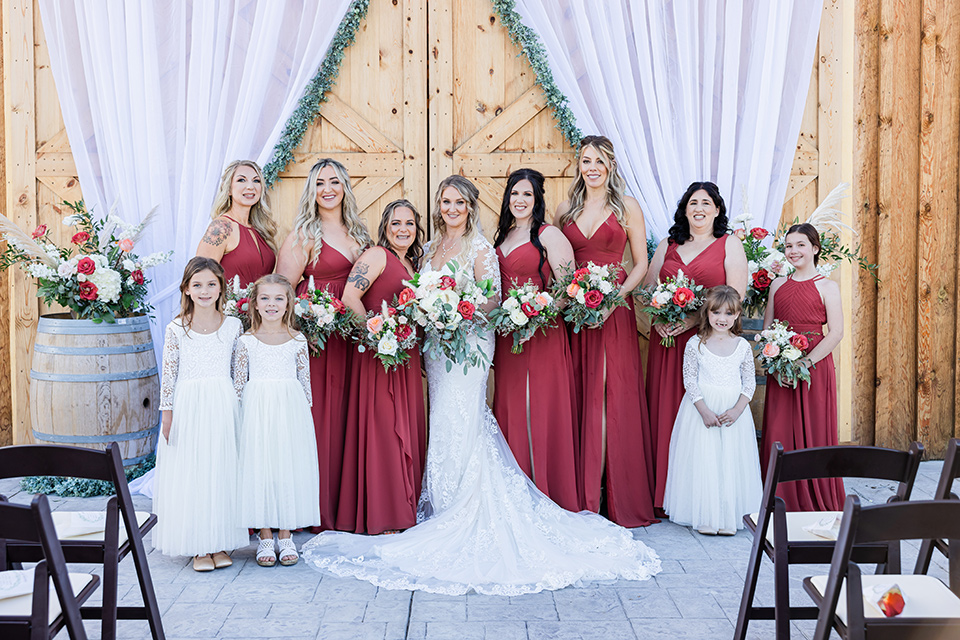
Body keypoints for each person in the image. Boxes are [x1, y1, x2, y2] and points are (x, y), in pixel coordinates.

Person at [301, 175, 661, 596]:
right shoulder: (430, 249)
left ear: (470, 206)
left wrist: (457, 311)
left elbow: (491, 298)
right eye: (445, 201)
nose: (451, 208)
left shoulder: (480, 247)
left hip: (467, 341)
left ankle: (464, 504)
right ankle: (442, 500)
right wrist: (434, 315)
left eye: (459, 202)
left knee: (463, 413)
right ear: (438, 206)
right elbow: (413, 296)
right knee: (444, 418)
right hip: (435, 345)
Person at [556, 135, 657, 527]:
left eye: (599, 160)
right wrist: (572, 299)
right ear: (578, 165)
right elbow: (557, 260)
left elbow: (640, 263)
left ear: (611, 165)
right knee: (578, 393)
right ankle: (579, 489)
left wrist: (615, 298)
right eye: (586, 160)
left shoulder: (627, 206)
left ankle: (611, 490)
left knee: (608, 394)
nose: (592, 167)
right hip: (576, 315)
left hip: (613, 312)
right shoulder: (565, 209)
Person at [275, 158, 372, 531]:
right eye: (319, 183)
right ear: (311, 191)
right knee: (318, 422)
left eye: (334, 181)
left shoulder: (359, 232)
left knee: (348, 420)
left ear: (345, 187)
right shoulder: (304, 234)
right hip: (316, 344)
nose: (328, 189)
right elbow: (281, 291)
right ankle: (310, 509)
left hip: (351, 342)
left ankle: (343, 506)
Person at [644, 182, 748, 513]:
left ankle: (701, 499)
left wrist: (692, 322)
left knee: (698, 414)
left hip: (706, 346)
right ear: (684, 209)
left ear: (717, 210)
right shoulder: (667, 245)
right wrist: (656, 319)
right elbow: (647, 291)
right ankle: (665, 495)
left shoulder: (729, 244)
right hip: (666, 341)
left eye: (706, 202)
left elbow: (736, 296)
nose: (699, 208)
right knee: (666, 413)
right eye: (693, 202)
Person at [337, 200, 427, 534]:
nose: (403, 229)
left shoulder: (413, 263)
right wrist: (376, 335)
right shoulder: (376, 256)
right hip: (379, 355)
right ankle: (384, 513)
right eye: (395, 223)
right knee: (385, 429)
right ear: (385, 228)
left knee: (402, 425)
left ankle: (403, 505)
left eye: (409, 223)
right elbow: (350, 297)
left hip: (404, 356)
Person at [492, 168, 580, 511]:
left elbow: (568, 288)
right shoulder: (501, 237)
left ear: (537, 199)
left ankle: (546, 489)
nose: (520, 200)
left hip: (542, 333)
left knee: (541, 407)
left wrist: (535, 312)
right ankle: (516, 488)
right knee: (512, 408)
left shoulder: (549, 235)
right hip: (508, 338)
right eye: (514, 193)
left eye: (527, 194)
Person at [154, 257, 248, 572]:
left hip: (222, 403)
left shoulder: (234, 325)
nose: (205, 290)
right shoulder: (177, 328)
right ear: (187, 289)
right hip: (188, 404)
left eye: (211, 284)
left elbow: (239, 374)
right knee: (193, 472)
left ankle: (219, 541)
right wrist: (167, 414)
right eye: (198, 285)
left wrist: (238, 410)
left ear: (221, 288)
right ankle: (198, 546)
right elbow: (168, 373)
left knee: (220, 471)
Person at [234, 274, 320, 567]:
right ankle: (265, 533)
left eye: (278, 298)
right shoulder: (245, 341)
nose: (272, 304)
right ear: (255, 304)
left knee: (286, 467)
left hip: (289, 411)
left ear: (288, 304)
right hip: (257, 409)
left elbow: (304, 384)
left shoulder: (297, 339)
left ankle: (286, 533)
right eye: (265, 298)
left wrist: (302, 418)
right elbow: (238, 384)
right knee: (261, 467)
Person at [662, 286, 762, 535]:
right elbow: (690, 380)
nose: (722, 318)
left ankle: (729, 517)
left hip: (733, 411)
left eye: (728, 314)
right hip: (701, 409)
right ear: (707, 313)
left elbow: (749, 382)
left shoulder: (741, 346)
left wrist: (738, 409)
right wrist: (703, 410)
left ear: (737, 315)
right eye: (716, 312)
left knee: (729, 461)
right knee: (704, 460)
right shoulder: (695, 343)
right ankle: (705, 515)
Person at [759, 223, 845, 511]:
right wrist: (775, 365)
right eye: (788, 246)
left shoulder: (827, 286)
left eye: (800, 245)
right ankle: (778, 496)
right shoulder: (777, 285)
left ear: (815, 249)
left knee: (814, 431)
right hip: (780, 369)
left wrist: (804, 363)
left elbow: (835, 333)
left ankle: (814, 494)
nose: (793, 251)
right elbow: (768, 328)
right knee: (779, 431)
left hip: (814, 370)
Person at [196, 160, 277, 287]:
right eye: (241, 180)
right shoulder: (222, 227)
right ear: (228, 189)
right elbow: (199, 276)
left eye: (256, 181)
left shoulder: (260, 229)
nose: (250, 186)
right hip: (228, 305)